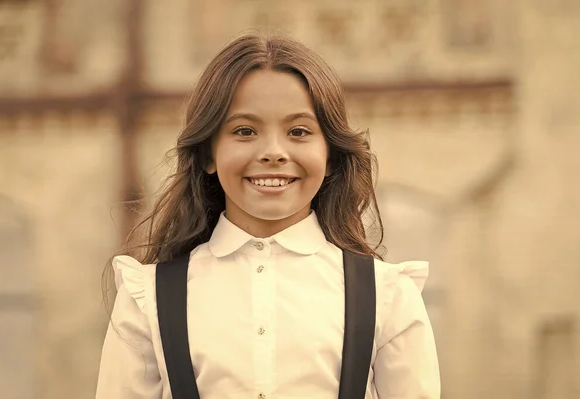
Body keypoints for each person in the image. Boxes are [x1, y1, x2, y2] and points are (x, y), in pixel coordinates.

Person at [96, 33, 440, 399]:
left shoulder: (388, 296)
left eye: (299, 132)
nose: (274, 152)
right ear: (208, 154)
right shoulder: (146, 299)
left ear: (331, 154)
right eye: (245, 131)